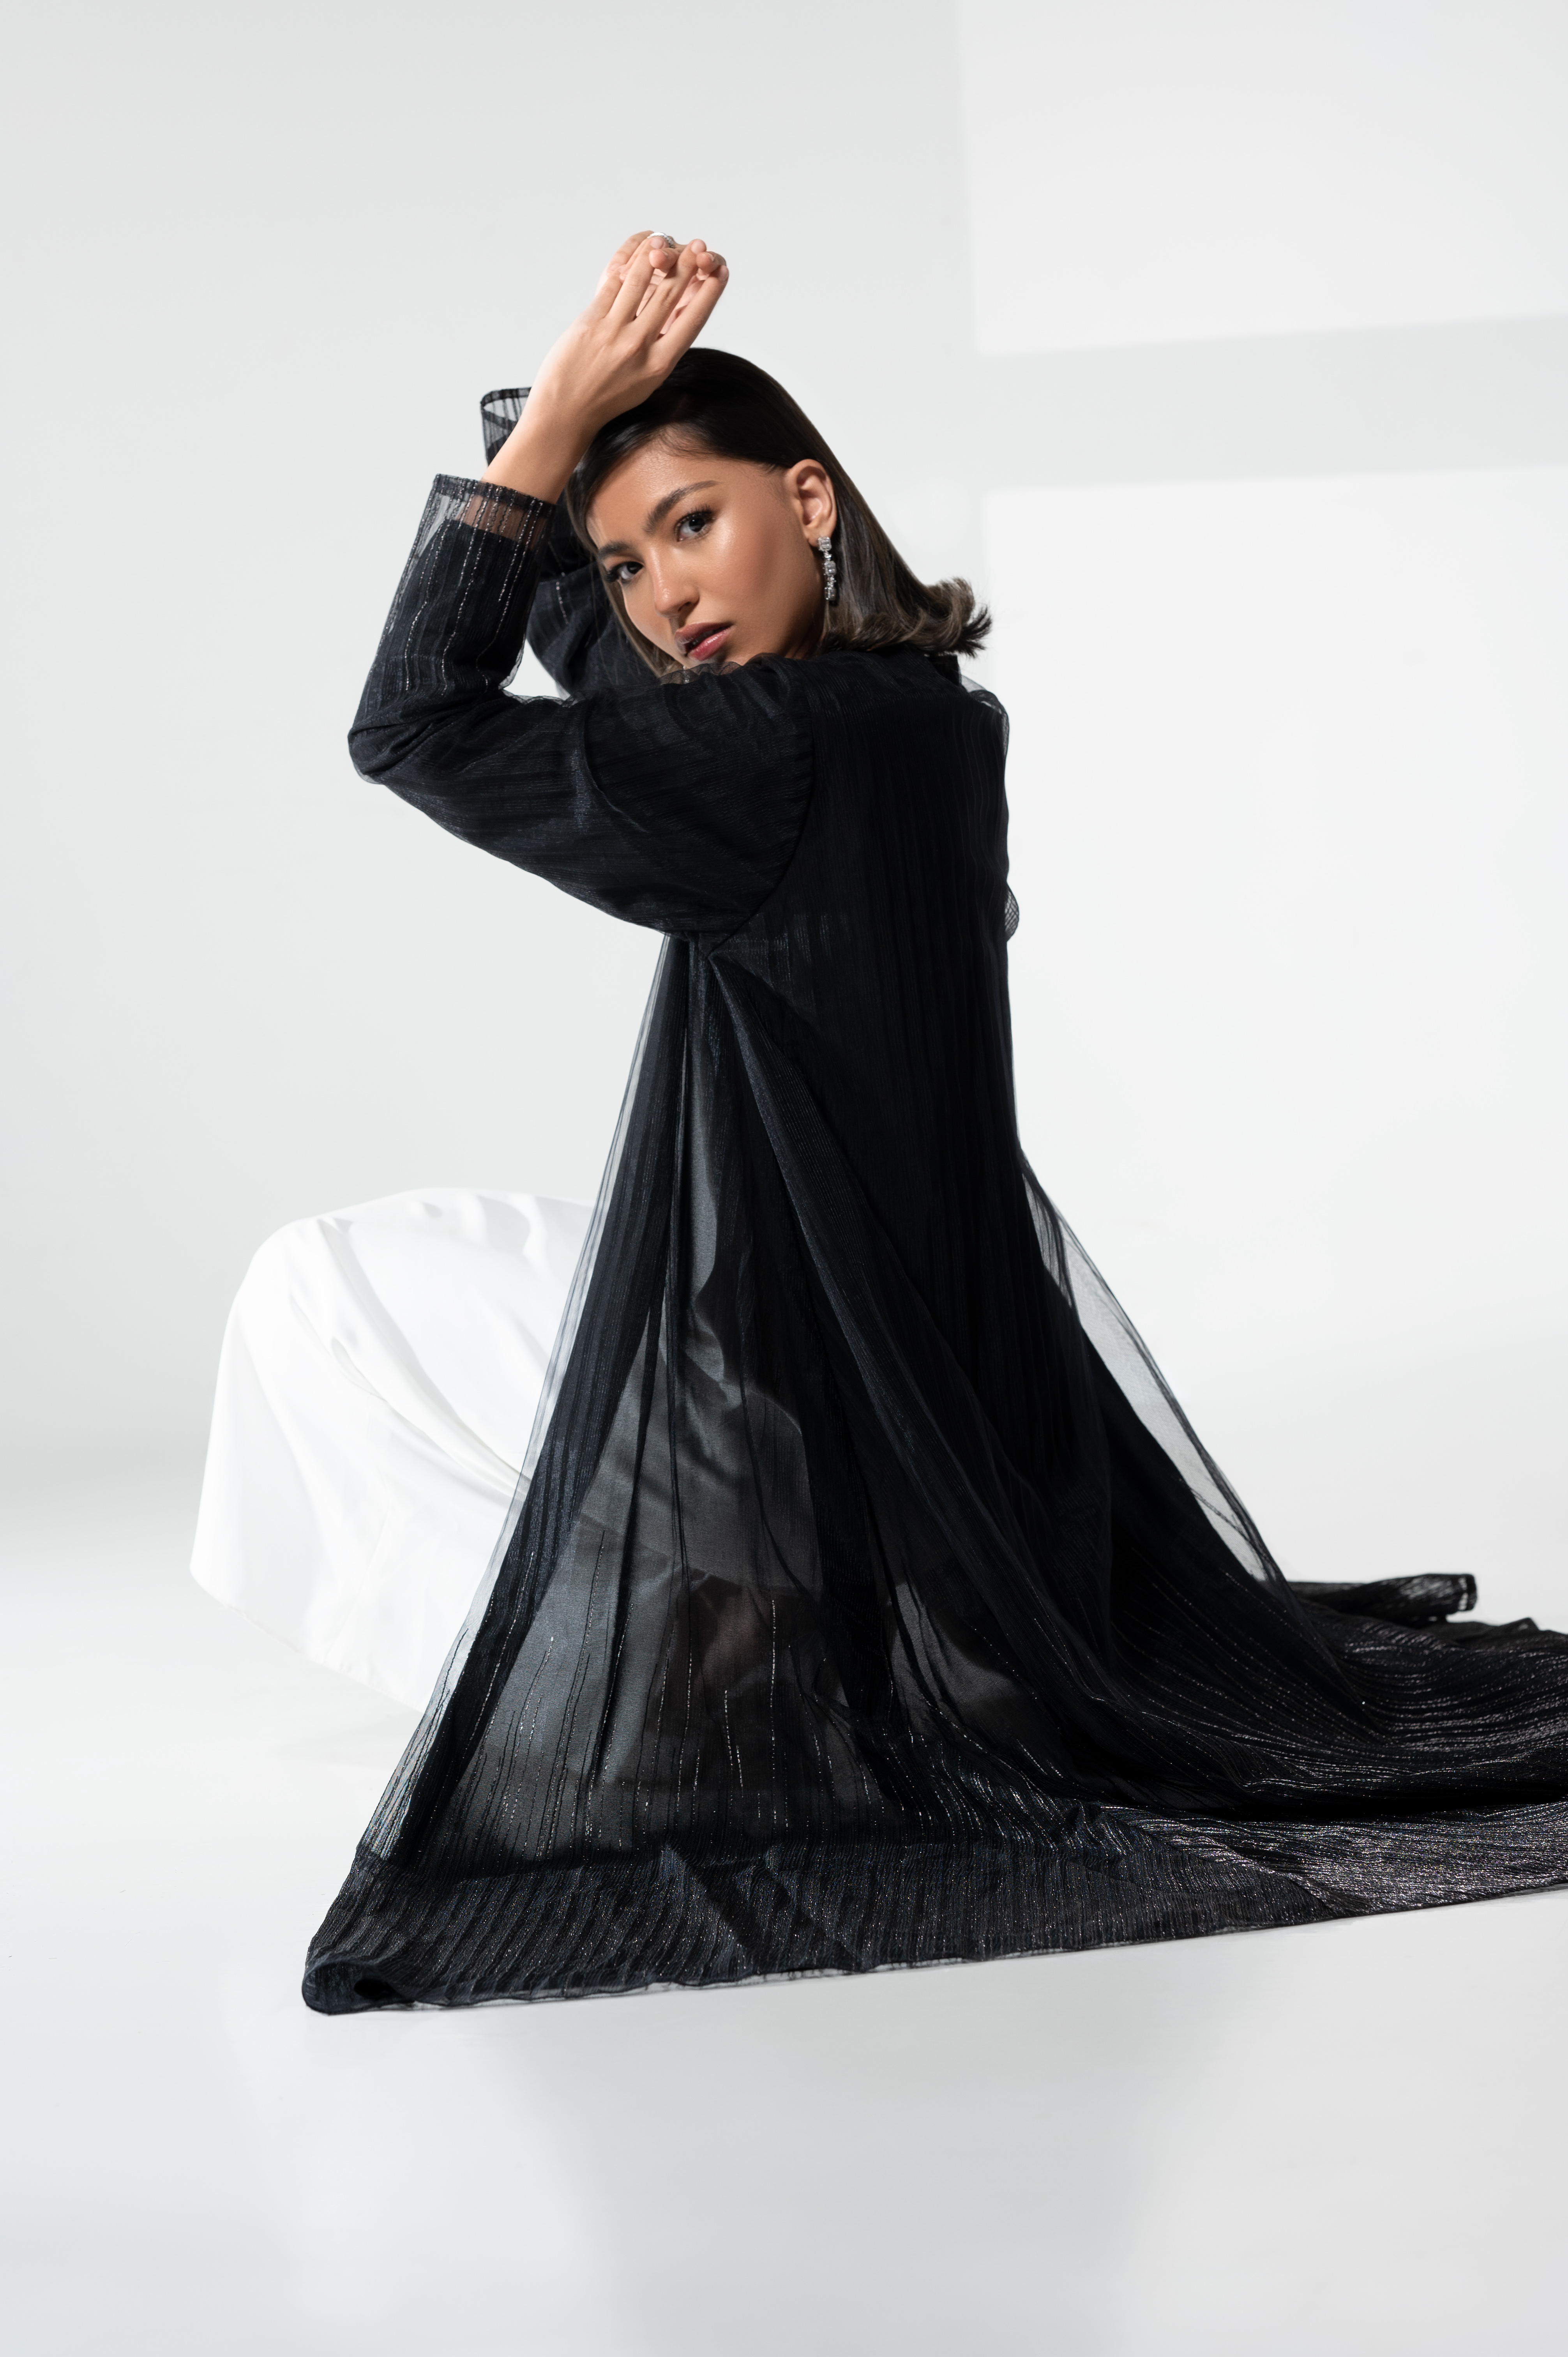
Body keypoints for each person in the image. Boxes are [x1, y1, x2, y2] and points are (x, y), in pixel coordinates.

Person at [285, 233, 1568, 2011]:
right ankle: (718, 1634)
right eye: (628, 561)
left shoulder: (764, 756)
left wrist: (550, 426)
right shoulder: (926, 720)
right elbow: (607, 653)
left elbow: (411, 726)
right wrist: (561, 435)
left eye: (695, 526)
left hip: (798, 1432)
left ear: (807, 499)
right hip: (947, 1431)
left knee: (319, 1295)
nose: (662, 597)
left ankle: (716, 1635)